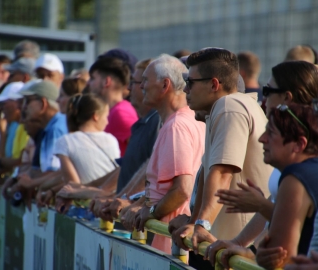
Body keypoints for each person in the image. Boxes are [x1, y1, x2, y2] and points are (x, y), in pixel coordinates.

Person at [207, 60, 318, 268]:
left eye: (267, 90)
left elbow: (290, 225)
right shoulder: (292, 158)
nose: (262, 98)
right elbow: (280, 201)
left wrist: (261, 207)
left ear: (287, 97)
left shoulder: (299, 164)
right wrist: (245, 246)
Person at [170, 48, 272, 269]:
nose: (185, 89)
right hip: (228, 245)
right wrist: (193, 221)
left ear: (214, 84)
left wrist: (201, 225)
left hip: (236, 250)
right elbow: (209, 173)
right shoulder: (222, 108)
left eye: (191, 82)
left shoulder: (229, 106)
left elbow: (223, 172)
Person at [122, 54, 206, 255]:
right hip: (174, 240)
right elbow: (162, 188)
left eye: (145, 80)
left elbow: (182, 190)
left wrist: (149, 212)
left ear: (164, 85)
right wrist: (140, 203)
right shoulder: (185, 120)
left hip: (172, 244)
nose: (141, 86)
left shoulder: (177, 126)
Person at [90, 58, 161, 221]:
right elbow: (130, 165)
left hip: (139, 223)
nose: (129, 88)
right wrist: (97, 190)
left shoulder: (155, 120)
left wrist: (126, 198)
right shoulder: (146, 121)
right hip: (128, 215)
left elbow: (152, 170)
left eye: (135, 82)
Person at [254, 104, 318, 269]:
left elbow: (280, 258)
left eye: (271, 132)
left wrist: (261, 257)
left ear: (299, 144)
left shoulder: (296, 176)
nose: (262, 138)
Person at [3, 80, 68, 208]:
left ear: (43, 104)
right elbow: (44, 171)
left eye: (28, 101)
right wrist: (18, 178)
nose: (23, 107)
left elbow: (55, 173)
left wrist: (26, 181)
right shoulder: (50, 127)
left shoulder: (56, 128)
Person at [52, 94, 120, 210]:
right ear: (96, 116)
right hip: (110, 204)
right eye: (106, 116)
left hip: (87, 207)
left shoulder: (64, 142)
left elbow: (73, 185)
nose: (107, 122)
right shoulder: (111, 139)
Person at [88, 57, 138, 156]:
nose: (89, 83)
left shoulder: (121, 114)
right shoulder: (114, 111)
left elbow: (139, 154)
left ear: (106, 81)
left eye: (93, 78)